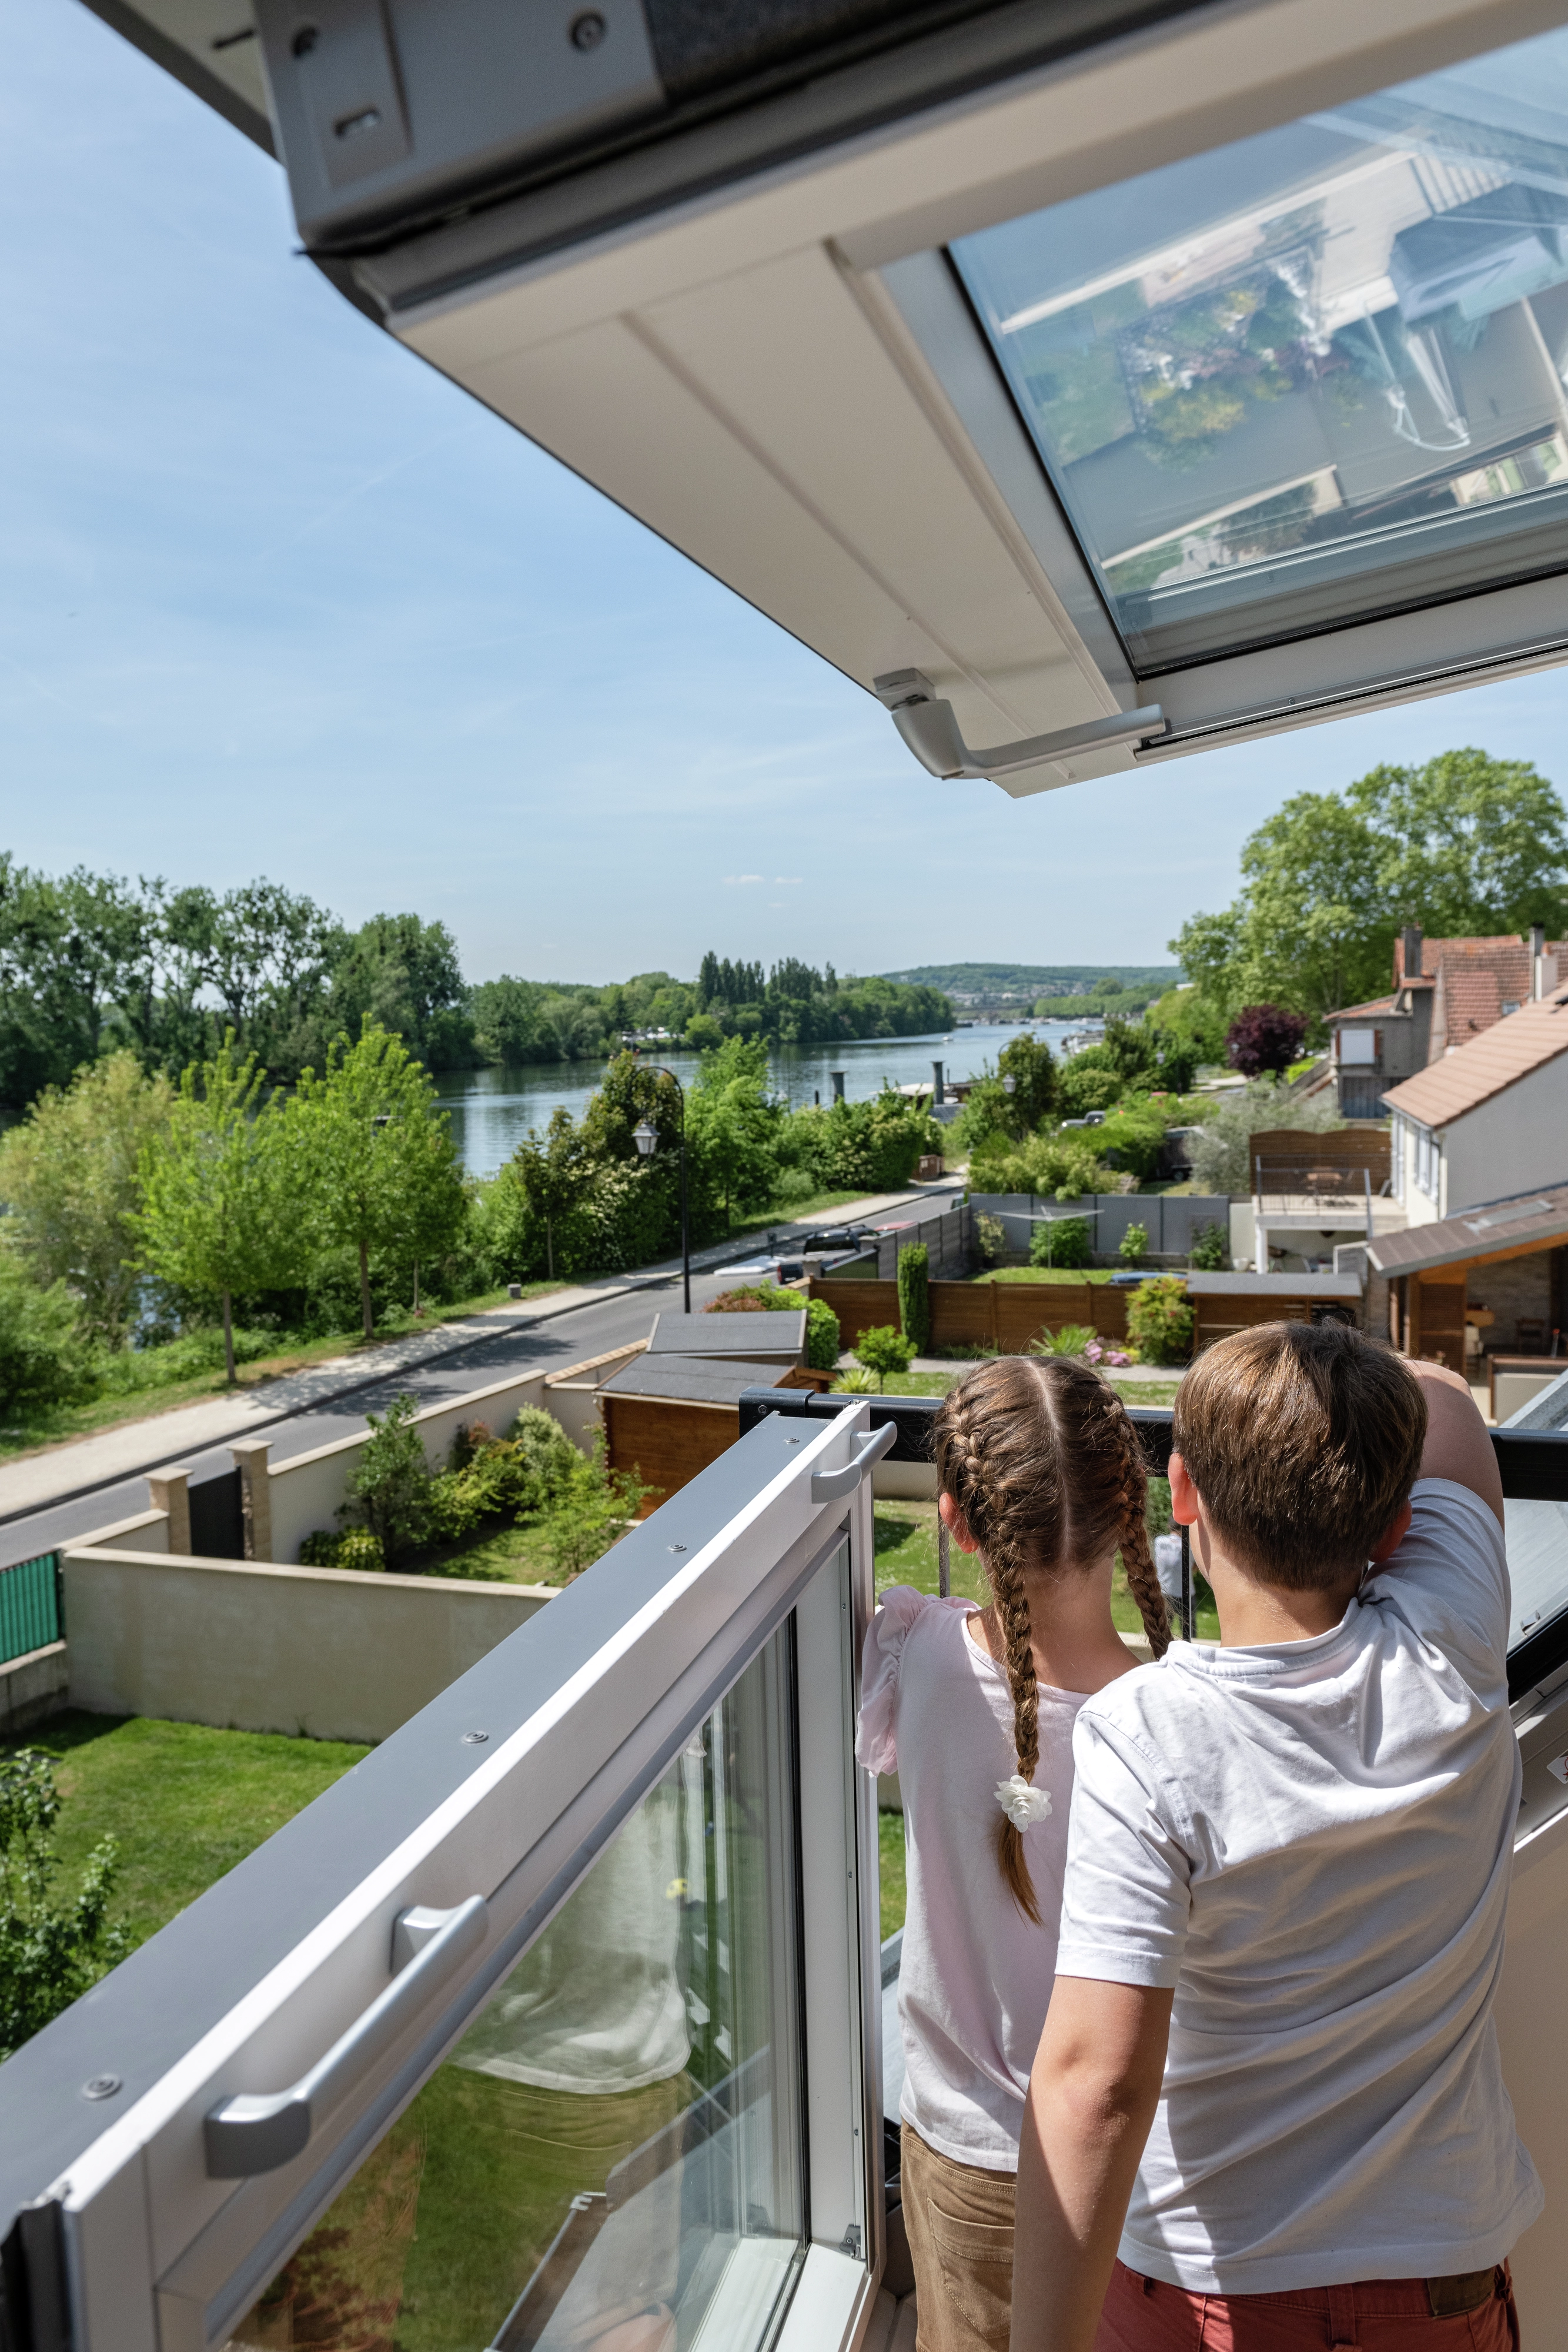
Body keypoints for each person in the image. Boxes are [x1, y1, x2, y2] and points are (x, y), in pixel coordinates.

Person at [1011, 1323, 1540, 2352]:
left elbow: (1097, 2084)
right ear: (1393, 1529)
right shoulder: (1457, 1637)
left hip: (1212, 2291)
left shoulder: (1149, 1732)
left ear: (1178, 1494)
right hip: (1437, 2279)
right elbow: (1443, 1399)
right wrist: (1333, 1372)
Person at [857, 1355, 1173, 2352]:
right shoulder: (1172, 1725)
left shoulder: (917, 1654)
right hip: (1128, 2169)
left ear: (953, 1520)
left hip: (957, 2151)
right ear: (1134, 1508)